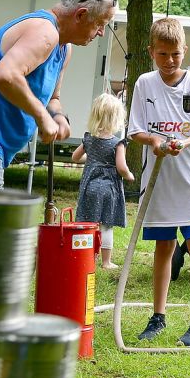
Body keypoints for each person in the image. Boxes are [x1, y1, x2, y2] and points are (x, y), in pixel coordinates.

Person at [0, 0, 116, 188]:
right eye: (100, 24)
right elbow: (5, 75)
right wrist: (42, 117)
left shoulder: (63, 47)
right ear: (81, 15)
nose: (101, 32)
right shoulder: (45, 32)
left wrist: (57, 117)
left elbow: (53, 98)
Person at [128, 18, 190, 348]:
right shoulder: (144, 84)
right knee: (163, 246)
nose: (170, 61)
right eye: (162, 54)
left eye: (175, 54)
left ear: (184, 51)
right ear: (151, 52)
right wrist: (156, 142)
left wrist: (182, 143)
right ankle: (158, 316)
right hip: (158, 177)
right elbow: (136, 130)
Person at [71, 93, 134, 269]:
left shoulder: (88, 138)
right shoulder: (117, 143)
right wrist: (129, 175)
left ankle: (86, 258)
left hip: (90, 187)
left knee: (88, 223)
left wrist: (92, 161)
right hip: (108, 189)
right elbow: (121, 167)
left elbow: (75, 158)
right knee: (106, 225)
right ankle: (106, 262)